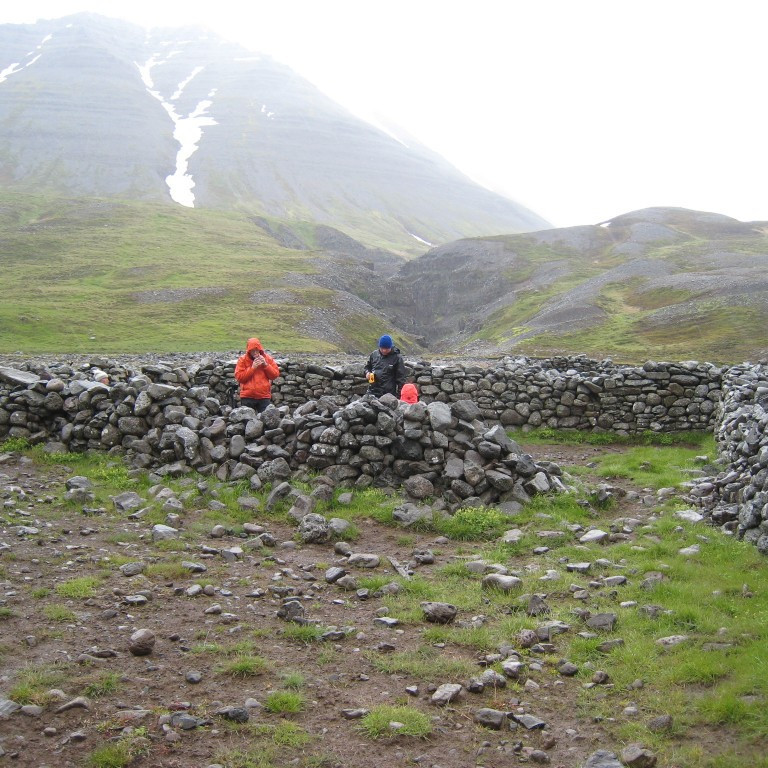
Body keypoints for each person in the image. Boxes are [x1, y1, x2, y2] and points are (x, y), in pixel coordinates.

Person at [234, 337, 280, 413]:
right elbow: (239, 378)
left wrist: (266, 365)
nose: (255, 352)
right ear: (249, 351)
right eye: (252, 351)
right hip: (247, 396)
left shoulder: (267, 359)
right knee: (247, 422)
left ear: (260, 349)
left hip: (264, 396)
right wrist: (252, 368)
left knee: (266, 422)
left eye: (257, 350)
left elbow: (275, 375)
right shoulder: (242, 360)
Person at [364, 334, 406, 398]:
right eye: (382, 348)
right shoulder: (374, 355)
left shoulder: (397, 358)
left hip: (388, 395)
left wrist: (399, 397)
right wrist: (367, 372)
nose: (384, 350)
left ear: (390, 347)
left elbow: (401, 379)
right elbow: (367, 367)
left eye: (386, 348)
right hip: (372, 392)